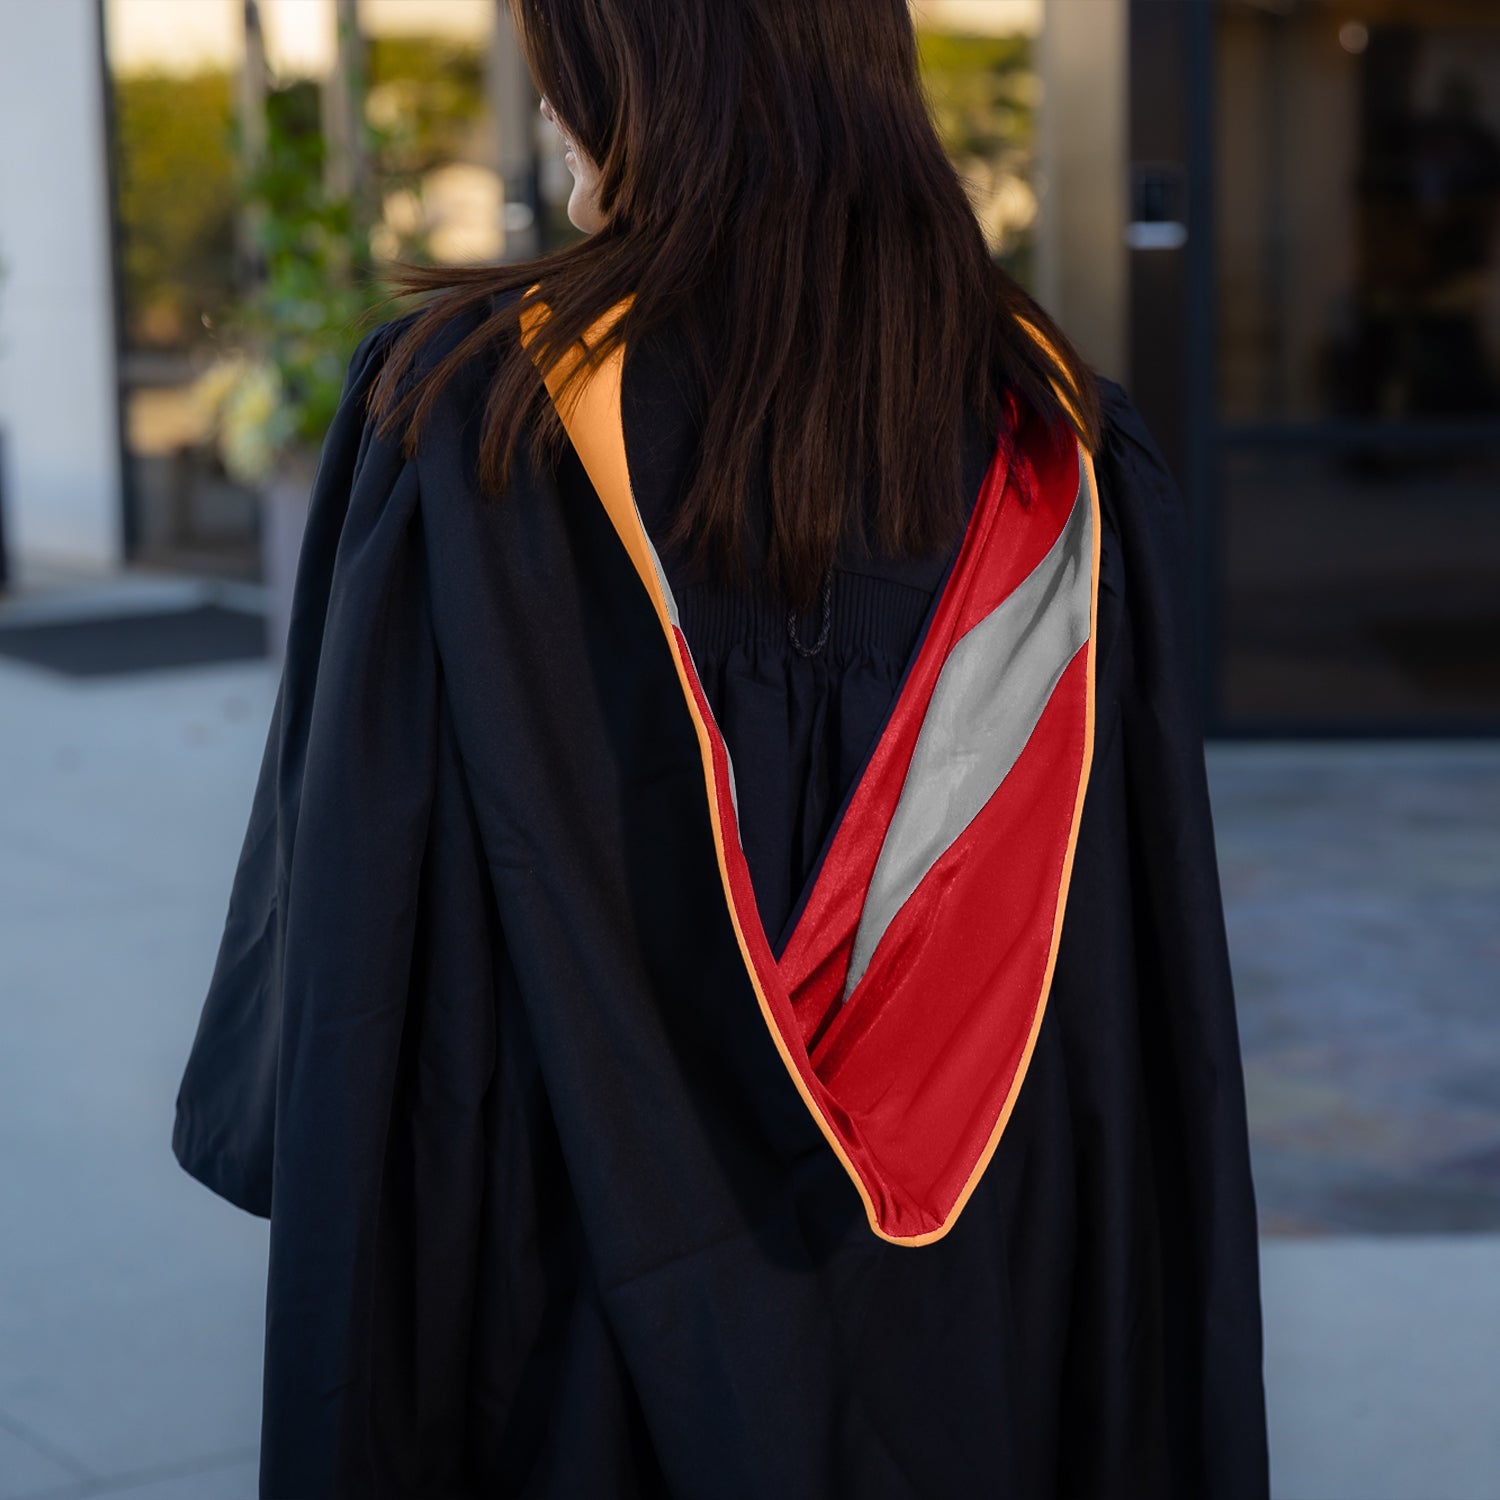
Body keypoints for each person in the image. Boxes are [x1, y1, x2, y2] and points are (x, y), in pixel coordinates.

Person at [171, 1, 1269, 1495]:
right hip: (986, 1315)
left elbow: (357, 947)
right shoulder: (1057, 442)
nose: (547, 104)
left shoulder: (469, 424)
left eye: (565, 57)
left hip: (563, 1312)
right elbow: (1137, 1008)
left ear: (652, 71)